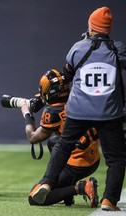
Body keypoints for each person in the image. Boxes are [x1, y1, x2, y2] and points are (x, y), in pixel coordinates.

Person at [30, 7, 126, 211]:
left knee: (63, 145)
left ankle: (47, 181)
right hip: (108, 112)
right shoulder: (117, 49)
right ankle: (109, 200)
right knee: (116, 158)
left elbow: (66, 76)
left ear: (91, 26)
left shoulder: (79, 47)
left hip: (79, 110)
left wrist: (41, 97)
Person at [20, 69, 100, 207]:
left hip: (77, 164)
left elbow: (33, 137)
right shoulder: (81, 99)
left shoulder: (53, 112)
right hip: (93, 157)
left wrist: (26, 114)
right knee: (53, 141)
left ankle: (81, 187)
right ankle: (67, 194)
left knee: (35, 197)